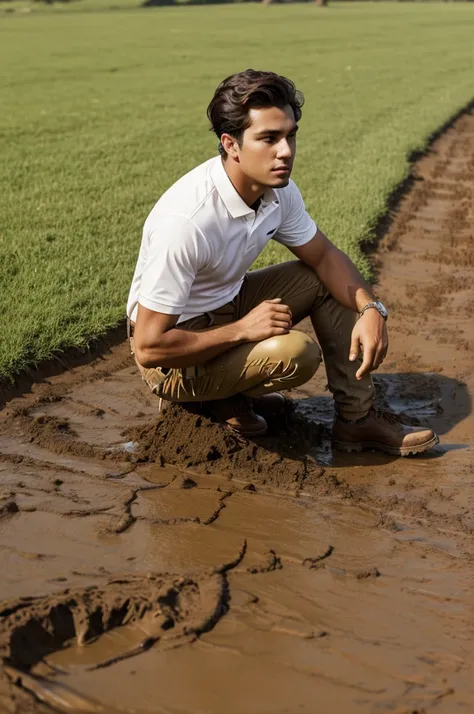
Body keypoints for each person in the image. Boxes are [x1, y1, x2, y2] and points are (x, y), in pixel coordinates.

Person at [126, 69, 438, 456]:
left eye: (289, 135)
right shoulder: (187, 224)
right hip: (173, 356)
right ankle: (207, 399)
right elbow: (149, 348)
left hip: (226, 305)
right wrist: (242, 331)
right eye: (269, 139)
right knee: (295, 353)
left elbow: (324, 256)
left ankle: (357, 422)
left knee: (326, 280)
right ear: (231, 144)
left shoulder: (279, 191)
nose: (285, 151)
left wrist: (371, 308)